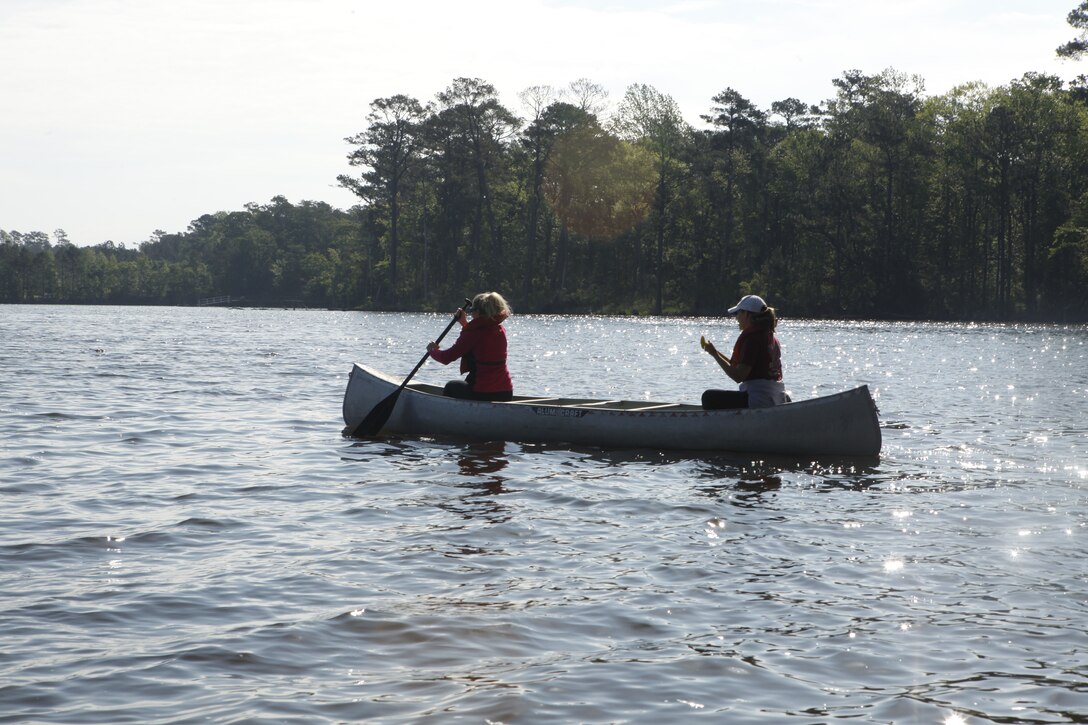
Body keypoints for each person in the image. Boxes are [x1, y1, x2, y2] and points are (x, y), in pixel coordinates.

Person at [700, 294, 788, 409]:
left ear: (746, 314)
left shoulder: (753, 339)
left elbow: (738, 376)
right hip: (776, 398)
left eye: (738, 313)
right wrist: (714, 351)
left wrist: (715, 355)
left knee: (708, 397)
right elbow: (737, 366)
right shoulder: (770, 337)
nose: (736, 318)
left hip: (758, 399)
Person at [427, 292, 514, 401]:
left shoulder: (474, 333)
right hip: (505, 392)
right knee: (466, 382)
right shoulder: (500, 329)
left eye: (472, 311)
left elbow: (446, 358)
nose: (471, 314)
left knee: (451, 387)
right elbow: (479, 338)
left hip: (483, 392)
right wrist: (464, 323)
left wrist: (432, 350)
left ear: (478, 312)